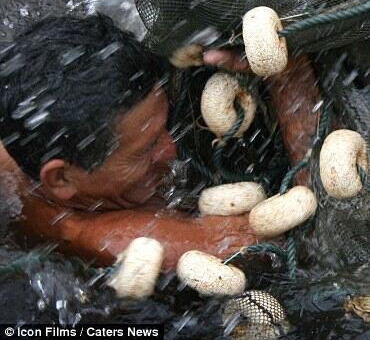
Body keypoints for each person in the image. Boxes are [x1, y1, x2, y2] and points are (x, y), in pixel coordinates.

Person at [0, 15, 322, 270]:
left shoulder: (17, 120)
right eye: (144, 150)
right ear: (61, 178)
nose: (171, 148)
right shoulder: (128, 242)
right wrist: (287, 73)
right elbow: (307, 235)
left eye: (164, 126)